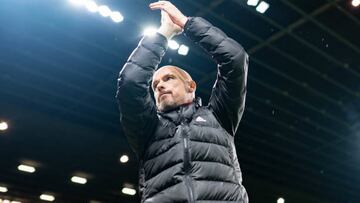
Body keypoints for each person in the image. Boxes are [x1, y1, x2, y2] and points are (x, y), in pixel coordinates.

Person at [116, 1, 249, 202]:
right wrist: (163, 34)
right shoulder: (147, 129)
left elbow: (235, 59)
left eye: (168, 78)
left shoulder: (219, 117)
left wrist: (187, 24)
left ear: (191, 86)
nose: (159, 86)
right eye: (154, 85)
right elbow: (130, 82)